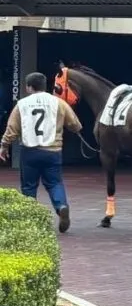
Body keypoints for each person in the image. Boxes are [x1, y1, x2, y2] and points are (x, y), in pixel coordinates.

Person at [0, 72, 83, 232]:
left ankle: (31, 220)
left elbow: (12, 129)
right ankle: (61, 206)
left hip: (29, 152)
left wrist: (4, 146)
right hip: (53, 151)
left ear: (29, 87)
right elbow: (76, 125)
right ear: (46, 86)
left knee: (29, 186)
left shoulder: (22, 104)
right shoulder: (58, 103)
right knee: (54, 183)